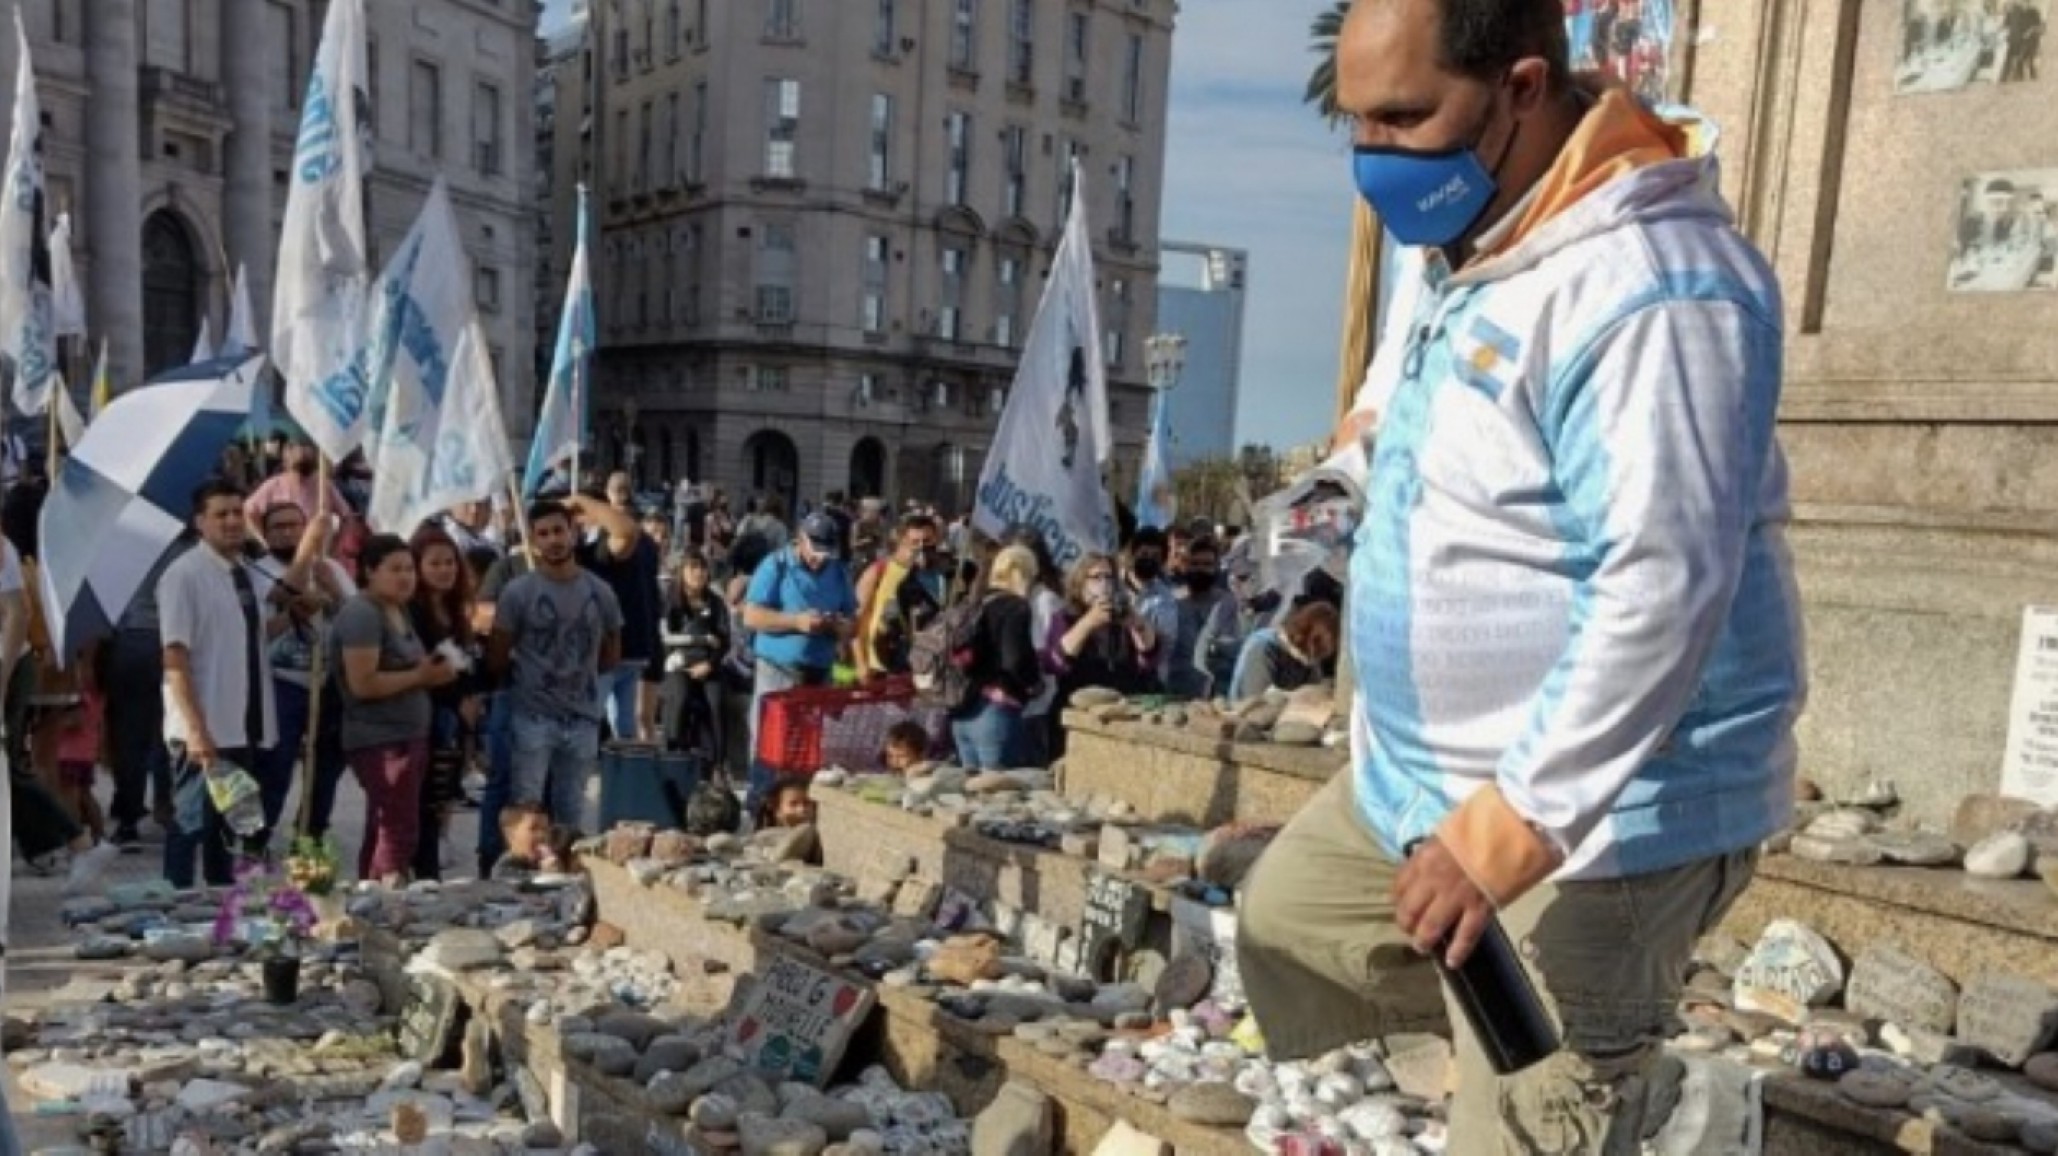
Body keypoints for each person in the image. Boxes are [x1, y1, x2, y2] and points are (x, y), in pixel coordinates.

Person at [1236, 2, 1803, 1151]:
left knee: (1532, 1118)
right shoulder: (1483, 238)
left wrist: (1506, 834)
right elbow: (1419, 420)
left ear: (1523, 88)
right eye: (1358, 121)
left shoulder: (1658, 287)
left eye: (1404, 115)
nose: (1376, 154)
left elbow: (1661, 587)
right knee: (1287, 921)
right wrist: (1342, 486)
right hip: (1420, 779)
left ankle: (1613, 1079)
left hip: (1599, 818)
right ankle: (1583, 1064)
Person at [159, 479, 279, 888]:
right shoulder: (183, 575)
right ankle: (174, 907)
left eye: (237, 513)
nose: (231, 522)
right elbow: (175, 656)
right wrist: (196, 728)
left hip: (241, 723)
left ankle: (223, 911)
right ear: (199, 522)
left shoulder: (244, 572)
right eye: (220, 514)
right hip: (203, 727)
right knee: (190, 825)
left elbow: (248, 636)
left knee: (232, 832)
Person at [487, 501, 625, 833]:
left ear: (573, 533)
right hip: (531, 716)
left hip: (582, 718)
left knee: (571, 813)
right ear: (533, 541)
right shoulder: (517, 593)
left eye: (559, 531)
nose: (553, 540)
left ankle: (565, 876)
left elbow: (611, 655)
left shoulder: (600, 591)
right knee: (526, 809)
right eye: (544, 534)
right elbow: (497, 656)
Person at [333, 535, 448, 886]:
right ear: (369, 571)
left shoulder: (397, 608)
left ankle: (371, 893)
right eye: (394, 569)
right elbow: (363, 683)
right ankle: (385, 894)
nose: (406, 577)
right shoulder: (362, 613)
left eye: (410, 569)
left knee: (386, 826)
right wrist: (421, 675)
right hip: (381, 739)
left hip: (409, 733)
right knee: (397, 830)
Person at [249, 503, 355, 843]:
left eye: (295, 525)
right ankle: (258, 837)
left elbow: (357, 620)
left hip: (327, 683)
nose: (287, 532)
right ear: (265, 535)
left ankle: (311, 833)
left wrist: (334, 593)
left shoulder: (331, 569)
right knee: (275, 766)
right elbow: (275, 602)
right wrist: (308, 551)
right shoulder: (256, 569)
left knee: (326, 766)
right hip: (280, 683)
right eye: (278, 527)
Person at [741, 513, 856, 809]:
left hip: (818, 672)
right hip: (777, 672)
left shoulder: (839, 572)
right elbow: (751, 615)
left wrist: (840, 627)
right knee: (768, 745)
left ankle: (800, 807)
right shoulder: (775, 565)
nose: (819, 559)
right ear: (800, 539)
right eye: (815, 551)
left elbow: (852, 619)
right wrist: (796, 622)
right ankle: (760, 807)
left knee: (810, 749)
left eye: (825, 553)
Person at [408, 526, 482, 882]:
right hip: (427, 715)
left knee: (444, 793)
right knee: (425, 797)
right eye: (434, 563)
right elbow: (428, 669)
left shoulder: (454, 612)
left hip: (456, 718)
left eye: (450, 562)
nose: (444, 570)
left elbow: (464, 664)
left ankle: (436, 851)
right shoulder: (412, 612)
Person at [949, 546, 1043, 770]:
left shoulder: (973, 604)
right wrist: (1033, 684)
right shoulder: (1015, 607)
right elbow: (1015, 659)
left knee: (971, 794)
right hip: (996, 711)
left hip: (961, 713)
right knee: (1000, 793)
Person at [1042, 552, 1162, 726]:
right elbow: (1057, 662)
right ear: (1080, 583)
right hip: (1077, 714)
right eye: (1096, 577)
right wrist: (1090, 621)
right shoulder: (1066, 618)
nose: (1104, 583)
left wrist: (1136, 623)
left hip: (1121, 712)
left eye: (1109, 577)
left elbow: (1149, 658)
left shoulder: (1122, 617)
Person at [586, 478, 664, 742]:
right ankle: (622, 774)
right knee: (623, 726)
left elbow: (650, 596)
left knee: (608, 723)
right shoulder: (646, 544)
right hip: (628, 644)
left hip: (620, 645)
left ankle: (622, 776)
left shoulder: (620, 543)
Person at [659, 551, 731, 765]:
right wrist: (696, 644)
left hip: (708, 664)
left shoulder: (715, 602)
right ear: (682, 572)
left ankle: (718, 764)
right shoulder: (670, 602)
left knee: (716, 702)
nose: (699, 573)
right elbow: (665, 638)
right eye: (693, 567)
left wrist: (709, 664)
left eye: (702, 567)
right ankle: (674, 756)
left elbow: (724, 640)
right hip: (678, 664)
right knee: (679, 698)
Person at [852, 515, 946, 677]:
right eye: (915, 542)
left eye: (927, 541)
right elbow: (857, 621)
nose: (921, 547)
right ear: (903, 540)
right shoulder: (879, 571)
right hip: (883, 668)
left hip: (928, 668)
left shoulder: (941, 576)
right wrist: (861, 664)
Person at [1166, 535, 1240, 701]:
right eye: (1195, 564)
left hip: (1218, 694)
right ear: (1186, 566)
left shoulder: (1228, 604)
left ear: (1217, 567)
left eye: (1207, 565)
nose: (1200, 570)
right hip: (1175, 692)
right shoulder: (1171, 602)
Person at [1228, 600, 1341, 703]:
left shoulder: (1307, 660)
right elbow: (1256, 701)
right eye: (1319, 653)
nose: (1316, 660)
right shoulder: (1262, 649)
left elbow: (1315, 687)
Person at [243, 435, 351, 524]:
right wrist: (263, 541)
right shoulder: (273, 485)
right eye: (295, 448)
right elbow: (248, 511)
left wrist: (338, 542)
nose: (302, 452)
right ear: (285, 459)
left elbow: (347, 516)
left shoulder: (324, 485)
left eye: (306, 447)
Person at [490, 801, 565, 882]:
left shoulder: (539, 863)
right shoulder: (504, 869)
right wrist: (548, 876)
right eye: (533, 828)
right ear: (510, 834)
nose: (541, 835)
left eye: (545, 829)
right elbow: (524, 884)